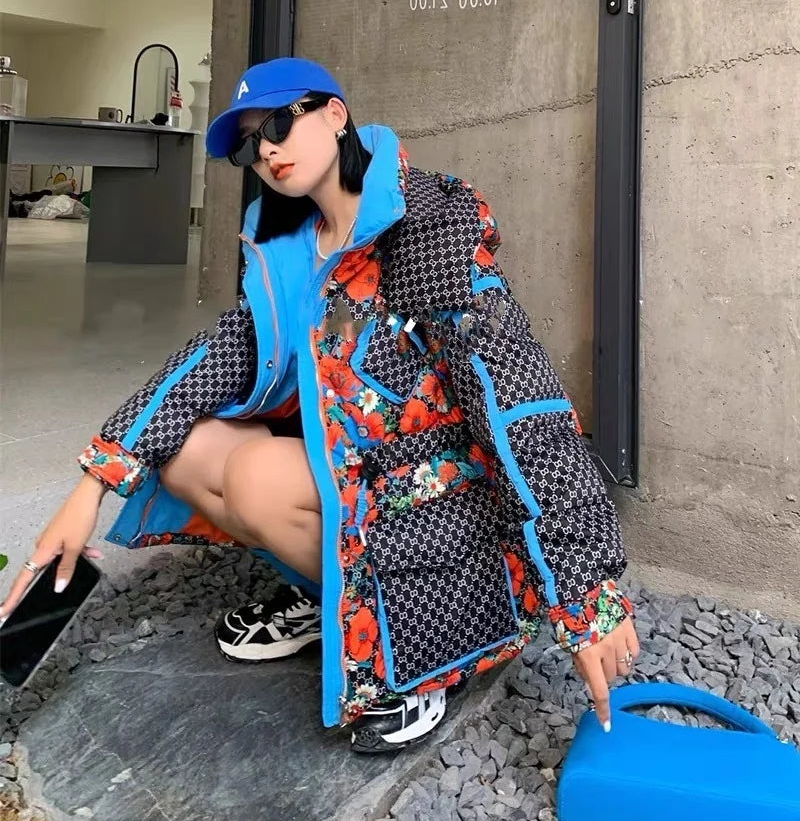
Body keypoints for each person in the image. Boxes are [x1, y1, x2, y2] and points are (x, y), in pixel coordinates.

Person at [1, 58, 639, 753]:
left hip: (448, 506)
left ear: (335, 115)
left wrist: (587, 594)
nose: (267, 151)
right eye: (250, 145)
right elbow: (215, 358)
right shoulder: (291, 245)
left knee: (255, 477)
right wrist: (94, 484)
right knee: (185, 448)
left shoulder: (427, 226)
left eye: (279, 123)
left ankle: (420, 654)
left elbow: (517, 400)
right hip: (359, 478)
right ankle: (332, 598)